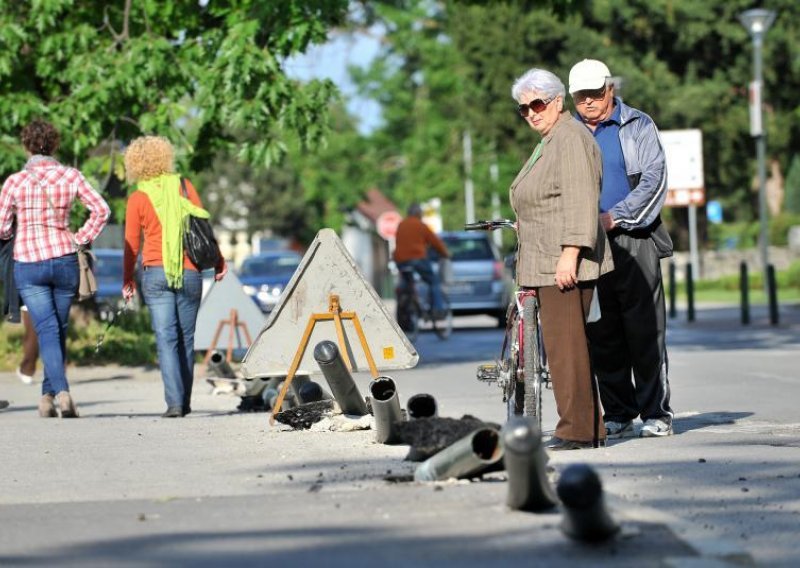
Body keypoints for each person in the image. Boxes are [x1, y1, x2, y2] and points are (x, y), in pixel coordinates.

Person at [569, 59, 674, 438]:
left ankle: (656, 413)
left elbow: (654, 181)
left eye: (595, 93)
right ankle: (618, 412)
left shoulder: (638, 124)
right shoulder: (567, 132)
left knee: (644, 329)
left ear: (610, 89)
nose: (589, 102)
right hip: (586, 242)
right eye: (580, 96)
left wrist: (615, 217)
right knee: (602, 330)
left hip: (635, 237)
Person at [509, 68, 613, 451]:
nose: (531, 113)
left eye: (537, 104)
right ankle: (588, 428)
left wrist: (570, 254)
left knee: (566, 348)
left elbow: (581, 198)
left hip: (562, 262)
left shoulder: (569, 137)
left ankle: (576, 431)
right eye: (523, 109)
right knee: (564, 346)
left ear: (556, 101)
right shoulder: (552, 139)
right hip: (545, 257)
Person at [0, 119, 110, 418]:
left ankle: (61, 392)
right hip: (64, 258)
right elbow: (102, 209)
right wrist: (81, 238)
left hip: (29, 262)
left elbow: (2, 227)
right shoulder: (70, 175)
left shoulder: (14, 182)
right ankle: (47, 398)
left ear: (26, 146)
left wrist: (14, 232)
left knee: (48, 328)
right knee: (56, 329)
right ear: (55, 145)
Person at [122, 136, 227, 418]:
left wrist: (127, 279)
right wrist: (219, 261)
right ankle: (186, 400)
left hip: (155, 273)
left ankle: (175, 403)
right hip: (191, 271)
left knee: (166, 338)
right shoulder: (183, 186)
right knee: (186, 339)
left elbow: (131, 243)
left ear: (134, 164)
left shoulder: (137, 198)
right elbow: (202, 226)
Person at [393, 203, 451, 318]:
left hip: (400, 260)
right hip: (417, 259)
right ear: (418, 214)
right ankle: (438, 310)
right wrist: (445, 254)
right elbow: (435, 242)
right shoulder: (421, 225)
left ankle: (407, 302)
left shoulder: (401, 225)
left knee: (406, 283)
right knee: (434, 281)